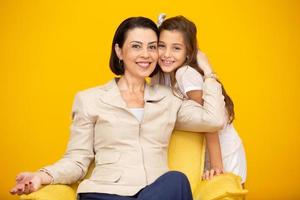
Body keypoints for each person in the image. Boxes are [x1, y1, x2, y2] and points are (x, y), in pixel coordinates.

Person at [10, 16, 225, 199]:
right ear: (119, 51)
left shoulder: (168, 99)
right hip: (104, 192)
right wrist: (41, 175)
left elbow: (214, 120)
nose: (146, 54)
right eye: (136, 46)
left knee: (176, 180)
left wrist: (209, 73)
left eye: (152, 47)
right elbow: (76, 161)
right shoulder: (89, 99)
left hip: (153, 193)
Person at [154, 15, 247, 184]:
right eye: (162, 46)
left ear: (189, 52)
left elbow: (208, 120)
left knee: (227, 189)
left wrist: (217, 165)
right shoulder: (161, 75)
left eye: (176, 48)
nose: (167, 54)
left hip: (222, 152)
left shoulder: (185, 74)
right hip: (202, 152)